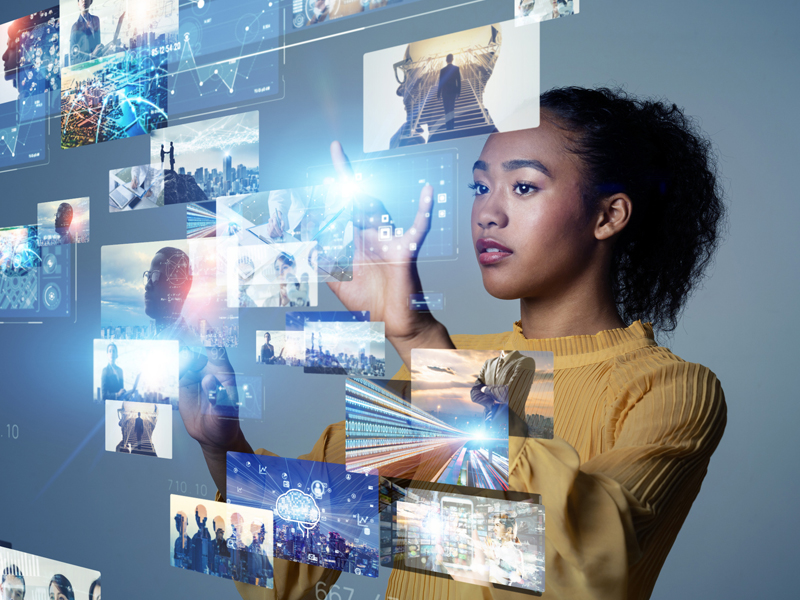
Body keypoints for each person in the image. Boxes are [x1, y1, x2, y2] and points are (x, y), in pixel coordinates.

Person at [181, 86, 727, 600]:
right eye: (480, 187)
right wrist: (222, 447)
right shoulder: (446, 366)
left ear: (608, 215)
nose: (488, 212)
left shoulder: (669, 389)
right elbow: (296, 562)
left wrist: (421, 343)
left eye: (524, 186)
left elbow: (586, 566)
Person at [391, 26, 500, 148]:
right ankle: (449, 125)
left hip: (443, 128)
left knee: (449, 110)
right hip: (479, 133)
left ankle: (449, 125)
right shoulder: (490, 136)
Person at [143, 246, 198, 345]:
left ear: (180, 289)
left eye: (156, 277)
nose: (147, 286)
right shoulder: (150, 340)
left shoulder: (194, 350)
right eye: (148, 277)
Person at [68, 0, 101, 66]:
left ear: (91, 1)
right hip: (85, 68)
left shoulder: (96, 19)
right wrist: (91, 55)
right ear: (78, 4)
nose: (84, 1)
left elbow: (97, 44)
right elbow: (73, 59)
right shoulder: (75, 27)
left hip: (97, 65)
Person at [437, 54, 461, 131]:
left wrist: (438, 94)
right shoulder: (456, 68)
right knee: (452, 109)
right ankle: (452, 126)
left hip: (445, 93)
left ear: (446, 60)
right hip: (453, 92)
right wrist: (458, 92)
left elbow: (440, 82)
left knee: (446, 110)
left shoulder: (442, 70)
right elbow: (459, 81)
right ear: (452, 59)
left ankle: (448, 127)